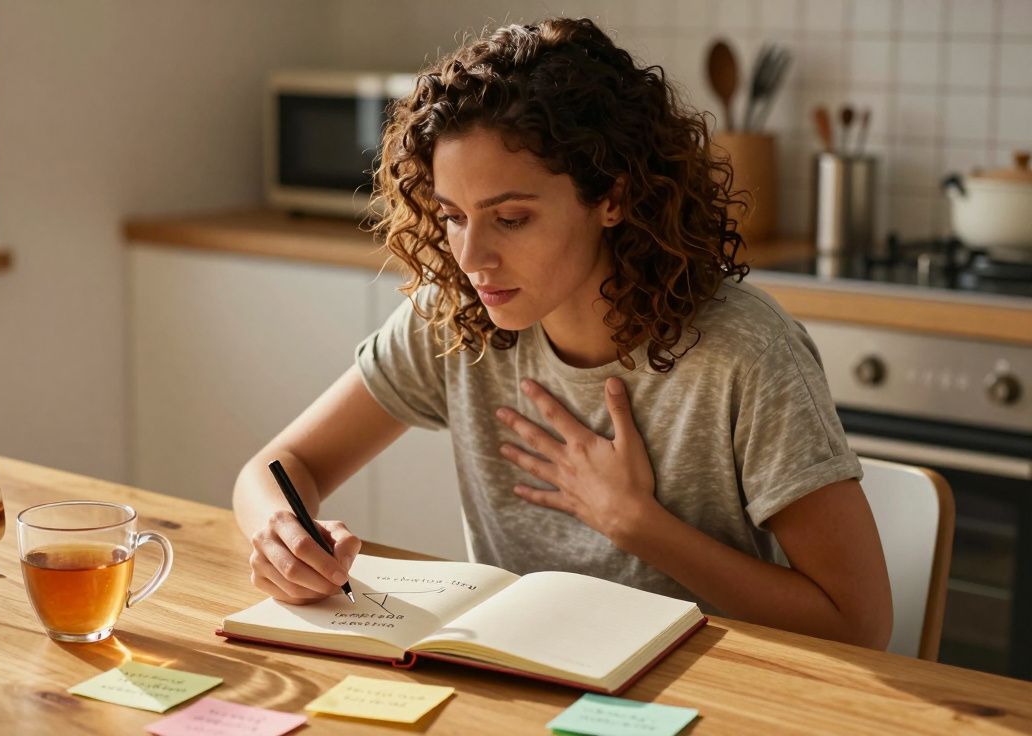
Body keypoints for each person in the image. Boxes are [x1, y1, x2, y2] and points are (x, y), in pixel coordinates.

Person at [232, 16, 892, 649]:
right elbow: (279, 468)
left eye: (511, 219)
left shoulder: (743, 353)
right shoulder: (458, 317)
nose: (471, 258)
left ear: (613, 196)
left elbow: (857, 624)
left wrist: (636, 524)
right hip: (519, 681)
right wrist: (279, 532)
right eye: (454, 217)